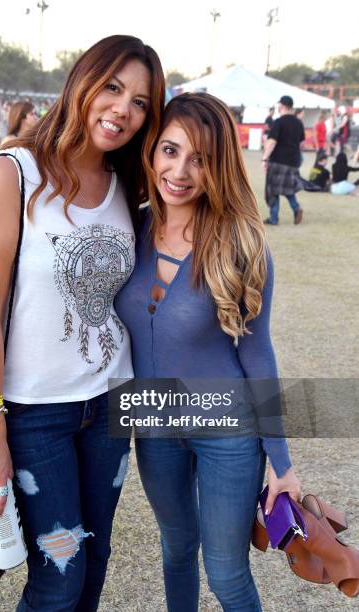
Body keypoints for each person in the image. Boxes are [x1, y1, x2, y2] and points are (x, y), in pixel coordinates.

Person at [0, 35, 165, 611]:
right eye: (113, 87)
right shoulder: (13, 175)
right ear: (82, 82)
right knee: (60, 576)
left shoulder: (130, 185)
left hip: (110, 406)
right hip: (35, 416)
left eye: (141, 102)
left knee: (94, 563)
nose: (123, 110)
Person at [115, 92, 301, 611]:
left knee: (225, 572)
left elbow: (258, 356)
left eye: (200, 158)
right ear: (152, 151)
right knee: (176, 550)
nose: (180, 171)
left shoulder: (241, 243)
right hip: (154, 427)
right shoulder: (132, 227)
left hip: (228, 434)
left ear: (219, 165)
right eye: (170, 151)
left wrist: (280, 462)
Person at [262, 95, 305, 226]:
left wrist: (265, 158)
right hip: (292, 162)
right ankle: (296, 209)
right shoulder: (298, 123)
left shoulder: (279, 122)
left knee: (273, 190)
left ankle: (274, 219)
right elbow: (301, 144)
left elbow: (272, 142)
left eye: (279, 104)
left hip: (278, 161)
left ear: (284, 106)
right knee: (288, 189)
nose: (278, 107)